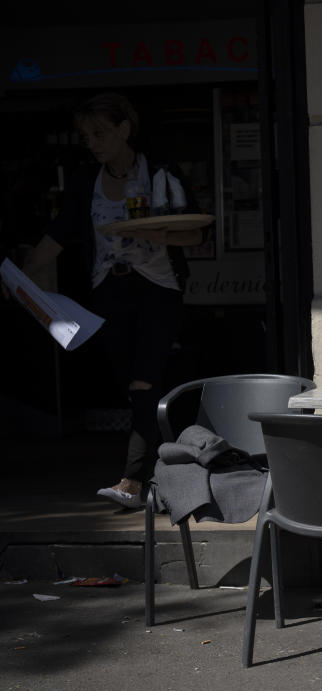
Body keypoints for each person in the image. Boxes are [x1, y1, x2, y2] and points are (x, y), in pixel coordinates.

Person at [21, 93, 204, 508]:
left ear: (124, 129)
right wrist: (19, 275)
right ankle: (169, 476)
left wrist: (162, 236)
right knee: (136, 387)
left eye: (100, 133)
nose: (92, 142)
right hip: (109, 291)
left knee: (144, 380)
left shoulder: (159, 172)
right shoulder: (87, 182)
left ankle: (133, 482)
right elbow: (57, 237)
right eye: (86, 136)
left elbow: (195, 232)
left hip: (158, 287)